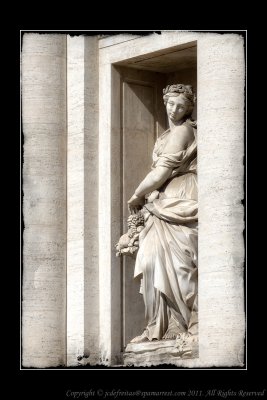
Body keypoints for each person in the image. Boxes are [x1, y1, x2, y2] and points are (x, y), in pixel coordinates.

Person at [127, 84, 198, 343]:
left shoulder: (183, 131)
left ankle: (183, 323)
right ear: (165, 102)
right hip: (161, 200)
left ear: (189, 109)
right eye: (171, 104)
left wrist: (136, 195)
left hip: (180, 197)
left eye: (181, 106)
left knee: (181, 264)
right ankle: (160, 325)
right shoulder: (165, 135)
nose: (175, 109)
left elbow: (161, 173)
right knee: (152, 260)